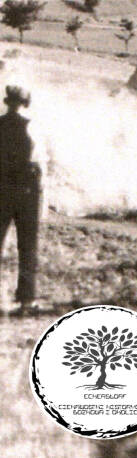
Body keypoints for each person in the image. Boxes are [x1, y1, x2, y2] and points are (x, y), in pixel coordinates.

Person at [0, 85, 44, 316]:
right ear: (25, 104)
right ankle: (27, 300)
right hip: (27, 192)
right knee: (28, 246)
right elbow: (40, 164)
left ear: (7, 102)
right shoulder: (33, 127)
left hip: (3, 190)